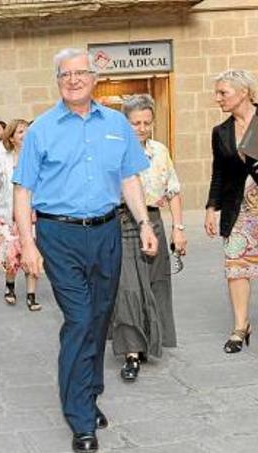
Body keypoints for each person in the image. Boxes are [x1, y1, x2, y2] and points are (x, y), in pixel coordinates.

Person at [12, 48, 157, 453]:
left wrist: (145, 223)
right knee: (78, 319)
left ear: (94, 78)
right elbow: (22, 191)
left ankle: (89, 393)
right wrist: (27, 243)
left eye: (80, 73)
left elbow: (129, 178)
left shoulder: (116, 124)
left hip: (108, 231)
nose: (73, 80)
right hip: (60, 236)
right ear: (57, 81)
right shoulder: (41, 129)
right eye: (65, 75)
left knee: (99, 318)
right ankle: (78, 415)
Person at [110, 94, 186, 380]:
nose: (141, 128)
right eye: (135, 123)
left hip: (153, 220)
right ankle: (131, 353)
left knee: (155, 284)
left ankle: (148, 341)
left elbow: (173, 190)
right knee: (128, 286)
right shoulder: (114, 151)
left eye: (146, 122)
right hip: (122, 221)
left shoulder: (159, 150)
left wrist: (179, 228)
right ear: (124, 123)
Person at [205, 69, 258, 353]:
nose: (218, 99)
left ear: (244, 92)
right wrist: (211, 208)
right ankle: (240, 326)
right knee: (236, 266)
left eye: (223, 92)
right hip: (239, 210)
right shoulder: (221, 132)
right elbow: (219, 173)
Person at [0, 119, 42, 311]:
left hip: (32, 215)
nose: (25, 135)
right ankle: (10, 286)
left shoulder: (36, 159)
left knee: (32, 253)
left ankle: (31, 294)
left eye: (27, 131)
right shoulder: (2, 160)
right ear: (11, 138)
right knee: (10, 256)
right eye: (20, 132)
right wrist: (3, 207)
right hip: (7, 215)